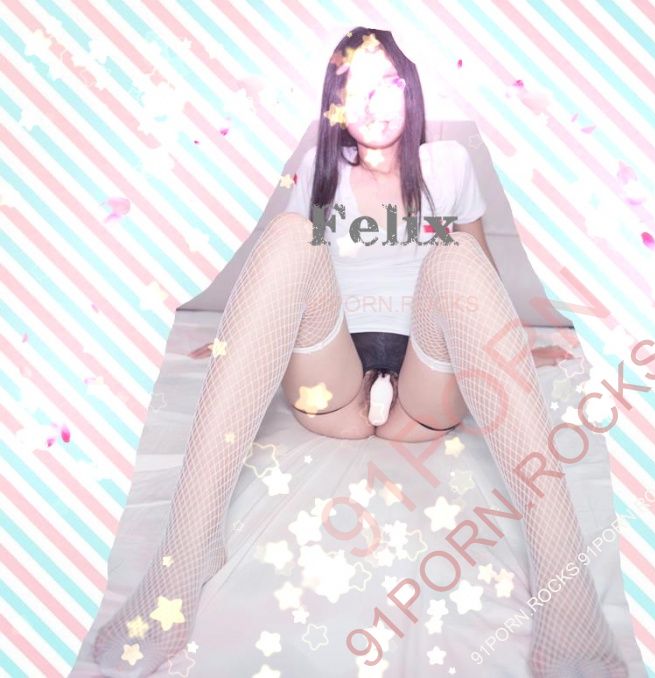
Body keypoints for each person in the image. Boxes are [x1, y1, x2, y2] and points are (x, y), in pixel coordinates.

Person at [92, 27, 626, 676]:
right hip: (335, 376)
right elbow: (282, 282)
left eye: (388, 84)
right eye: (355, 89)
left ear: (412, 89)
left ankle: (564, 582)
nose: (374, 104)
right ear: (336, 103)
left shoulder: (447, 166)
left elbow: (481, 271)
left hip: (425, 375)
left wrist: (513, 346)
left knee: (456, 254)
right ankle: (184, 555)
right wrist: (239, 342)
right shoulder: (320, 169)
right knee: (290, 237)